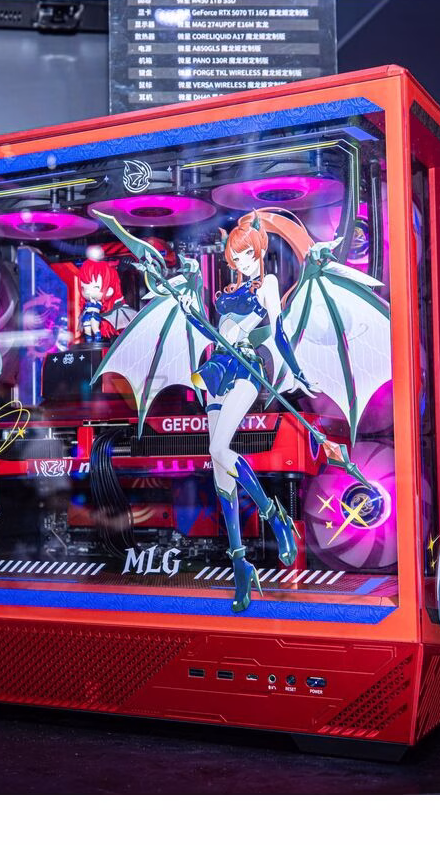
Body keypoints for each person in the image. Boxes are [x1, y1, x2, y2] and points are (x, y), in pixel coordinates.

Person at [186, 209, 319, 612]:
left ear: (259, 251)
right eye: (235, 257)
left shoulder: (268, 284)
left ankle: (274, 515)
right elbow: (216, 333)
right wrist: (193, 314)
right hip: (215, 370)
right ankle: (241, 565)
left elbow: (277, 334)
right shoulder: (226, 292)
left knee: (219, 449)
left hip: (246, 367)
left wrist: (298, 373)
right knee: (218, 469)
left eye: (247, 255)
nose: (241, 262)